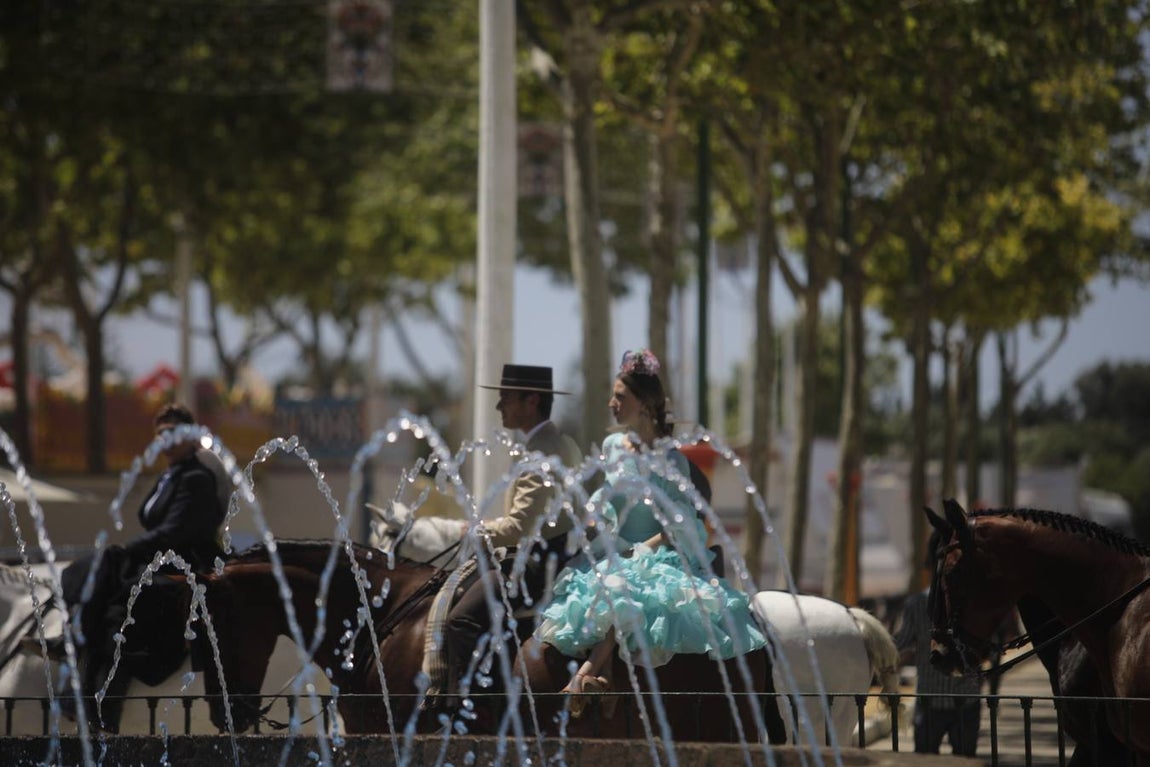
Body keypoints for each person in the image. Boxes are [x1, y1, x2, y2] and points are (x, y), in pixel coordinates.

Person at [532, 349, 766, 715]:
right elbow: (606, 500)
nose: (612, 403)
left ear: (644, 404)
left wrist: (638, 552)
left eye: (620, 397)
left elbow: (680, 526)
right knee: (595, 583)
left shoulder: (669, 460)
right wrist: (591, 520)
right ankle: (603, 682)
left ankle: (590, 671)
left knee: (623, 582)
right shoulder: (612, 447)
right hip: (615, 549)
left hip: (661, 553)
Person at [25, 403, 228, 724]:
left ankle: (80, 651)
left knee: (111, 568)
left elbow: (176, 531)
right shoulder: (171, 475)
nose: (167, 440)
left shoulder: (195, 477)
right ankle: (76, 641)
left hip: (185, 564)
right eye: (162, 434)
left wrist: (131, 547)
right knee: (107, 570)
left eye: (175, 432)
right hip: (160, 558)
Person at [442, 364, 583, 707]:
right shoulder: (555, 442)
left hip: (535, 567)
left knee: (460, 621)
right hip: (553, 557)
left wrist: (470, 530)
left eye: (506, 398)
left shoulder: (541, 451)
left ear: (531, 400)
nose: (499, 406)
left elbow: (520, 527)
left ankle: (475, 709)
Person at [894, 585, 983, 756]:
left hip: (931, 699)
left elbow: (901, 645)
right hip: (965, 700)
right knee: (964, 760)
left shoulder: (917, 603)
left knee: (926, 759)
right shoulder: (974, 602)